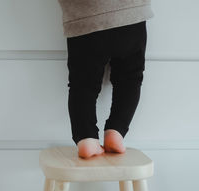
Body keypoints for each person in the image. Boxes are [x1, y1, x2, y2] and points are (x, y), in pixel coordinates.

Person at [58, 0, 154, 158]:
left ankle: (87, 138)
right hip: (130, 15)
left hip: (84, 20)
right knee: (129, 79)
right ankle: (116, 130)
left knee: (83, 85)